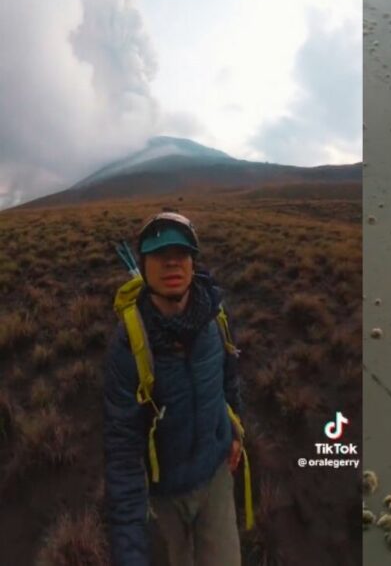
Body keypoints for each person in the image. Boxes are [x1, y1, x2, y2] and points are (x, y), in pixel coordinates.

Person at [104, 211, 244, 566]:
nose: (171, 263)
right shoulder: (129, 349)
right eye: (159, 255)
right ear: (144, 265)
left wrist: (235, 431)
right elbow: (122, 454)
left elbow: (228, 378)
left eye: (181, 254)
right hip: (162, 499)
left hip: (216, 479)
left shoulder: (216, 318)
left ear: (193, 262)